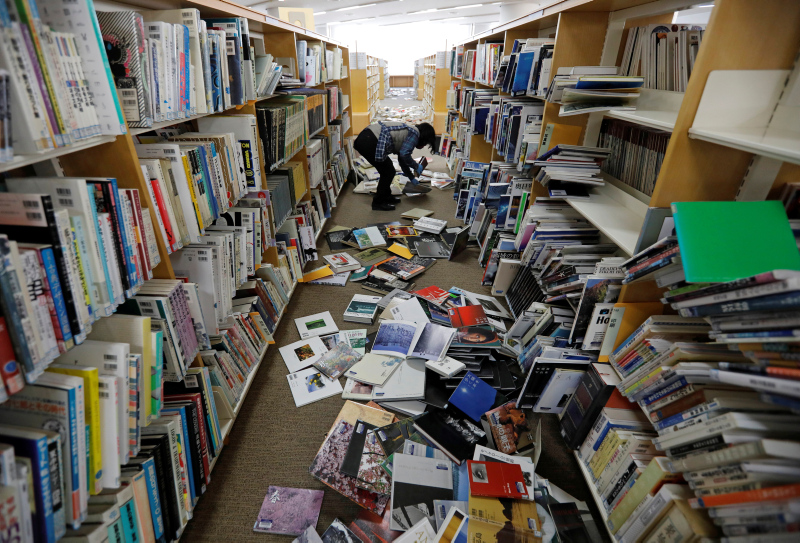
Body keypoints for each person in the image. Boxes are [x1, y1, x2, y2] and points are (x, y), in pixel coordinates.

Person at [353, 121, 436, 211]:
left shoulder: (408, 133)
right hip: (369, 140)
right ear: (424, 138)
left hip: (367, 138)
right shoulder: (415, 134)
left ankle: (386, 196)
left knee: (389, 170)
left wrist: (411, 177)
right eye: (425, 143)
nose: (423, 146)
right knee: (387, 172)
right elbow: (405, 155)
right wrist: (416, 166)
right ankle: (378, 202)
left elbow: (402, 159)